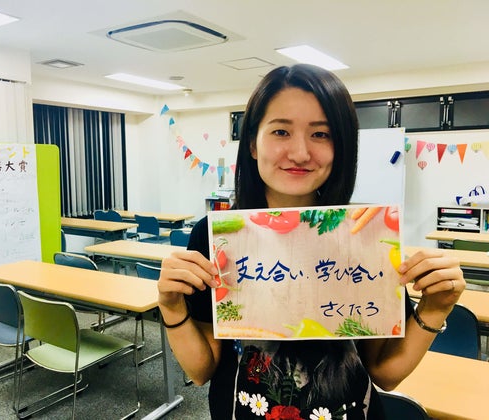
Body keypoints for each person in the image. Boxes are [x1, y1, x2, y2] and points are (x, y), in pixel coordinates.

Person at [157, 64, 464, 419]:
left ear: (341, 147)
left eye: (321, 134)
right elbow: (201, 370)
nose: (301, 152)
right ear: (253, 144)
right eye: (281, 131)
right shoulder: (216, 236)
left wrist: (436, 308)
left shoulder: (364, 232)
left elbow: (386, 371)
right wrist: (171, 305)